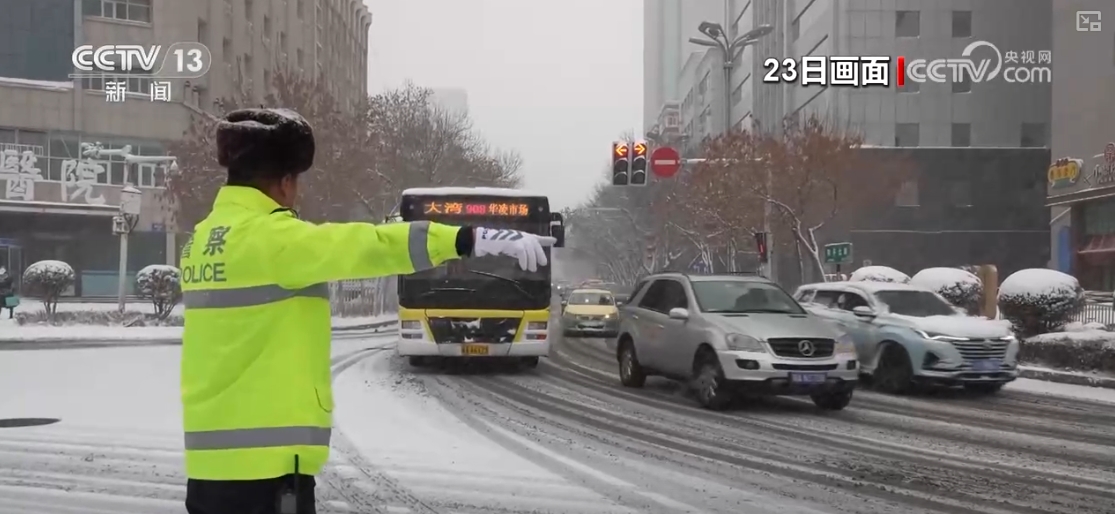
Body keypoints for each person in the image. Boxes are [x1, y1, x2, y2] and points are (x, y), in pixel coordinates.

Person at [180, 107, 555, 514]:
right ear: (285, 183)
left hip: (207, 465)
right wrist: (465, 239)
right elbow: (370, 245)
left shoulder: (200, 241)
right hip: (263, 470)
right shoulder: (273, 239)